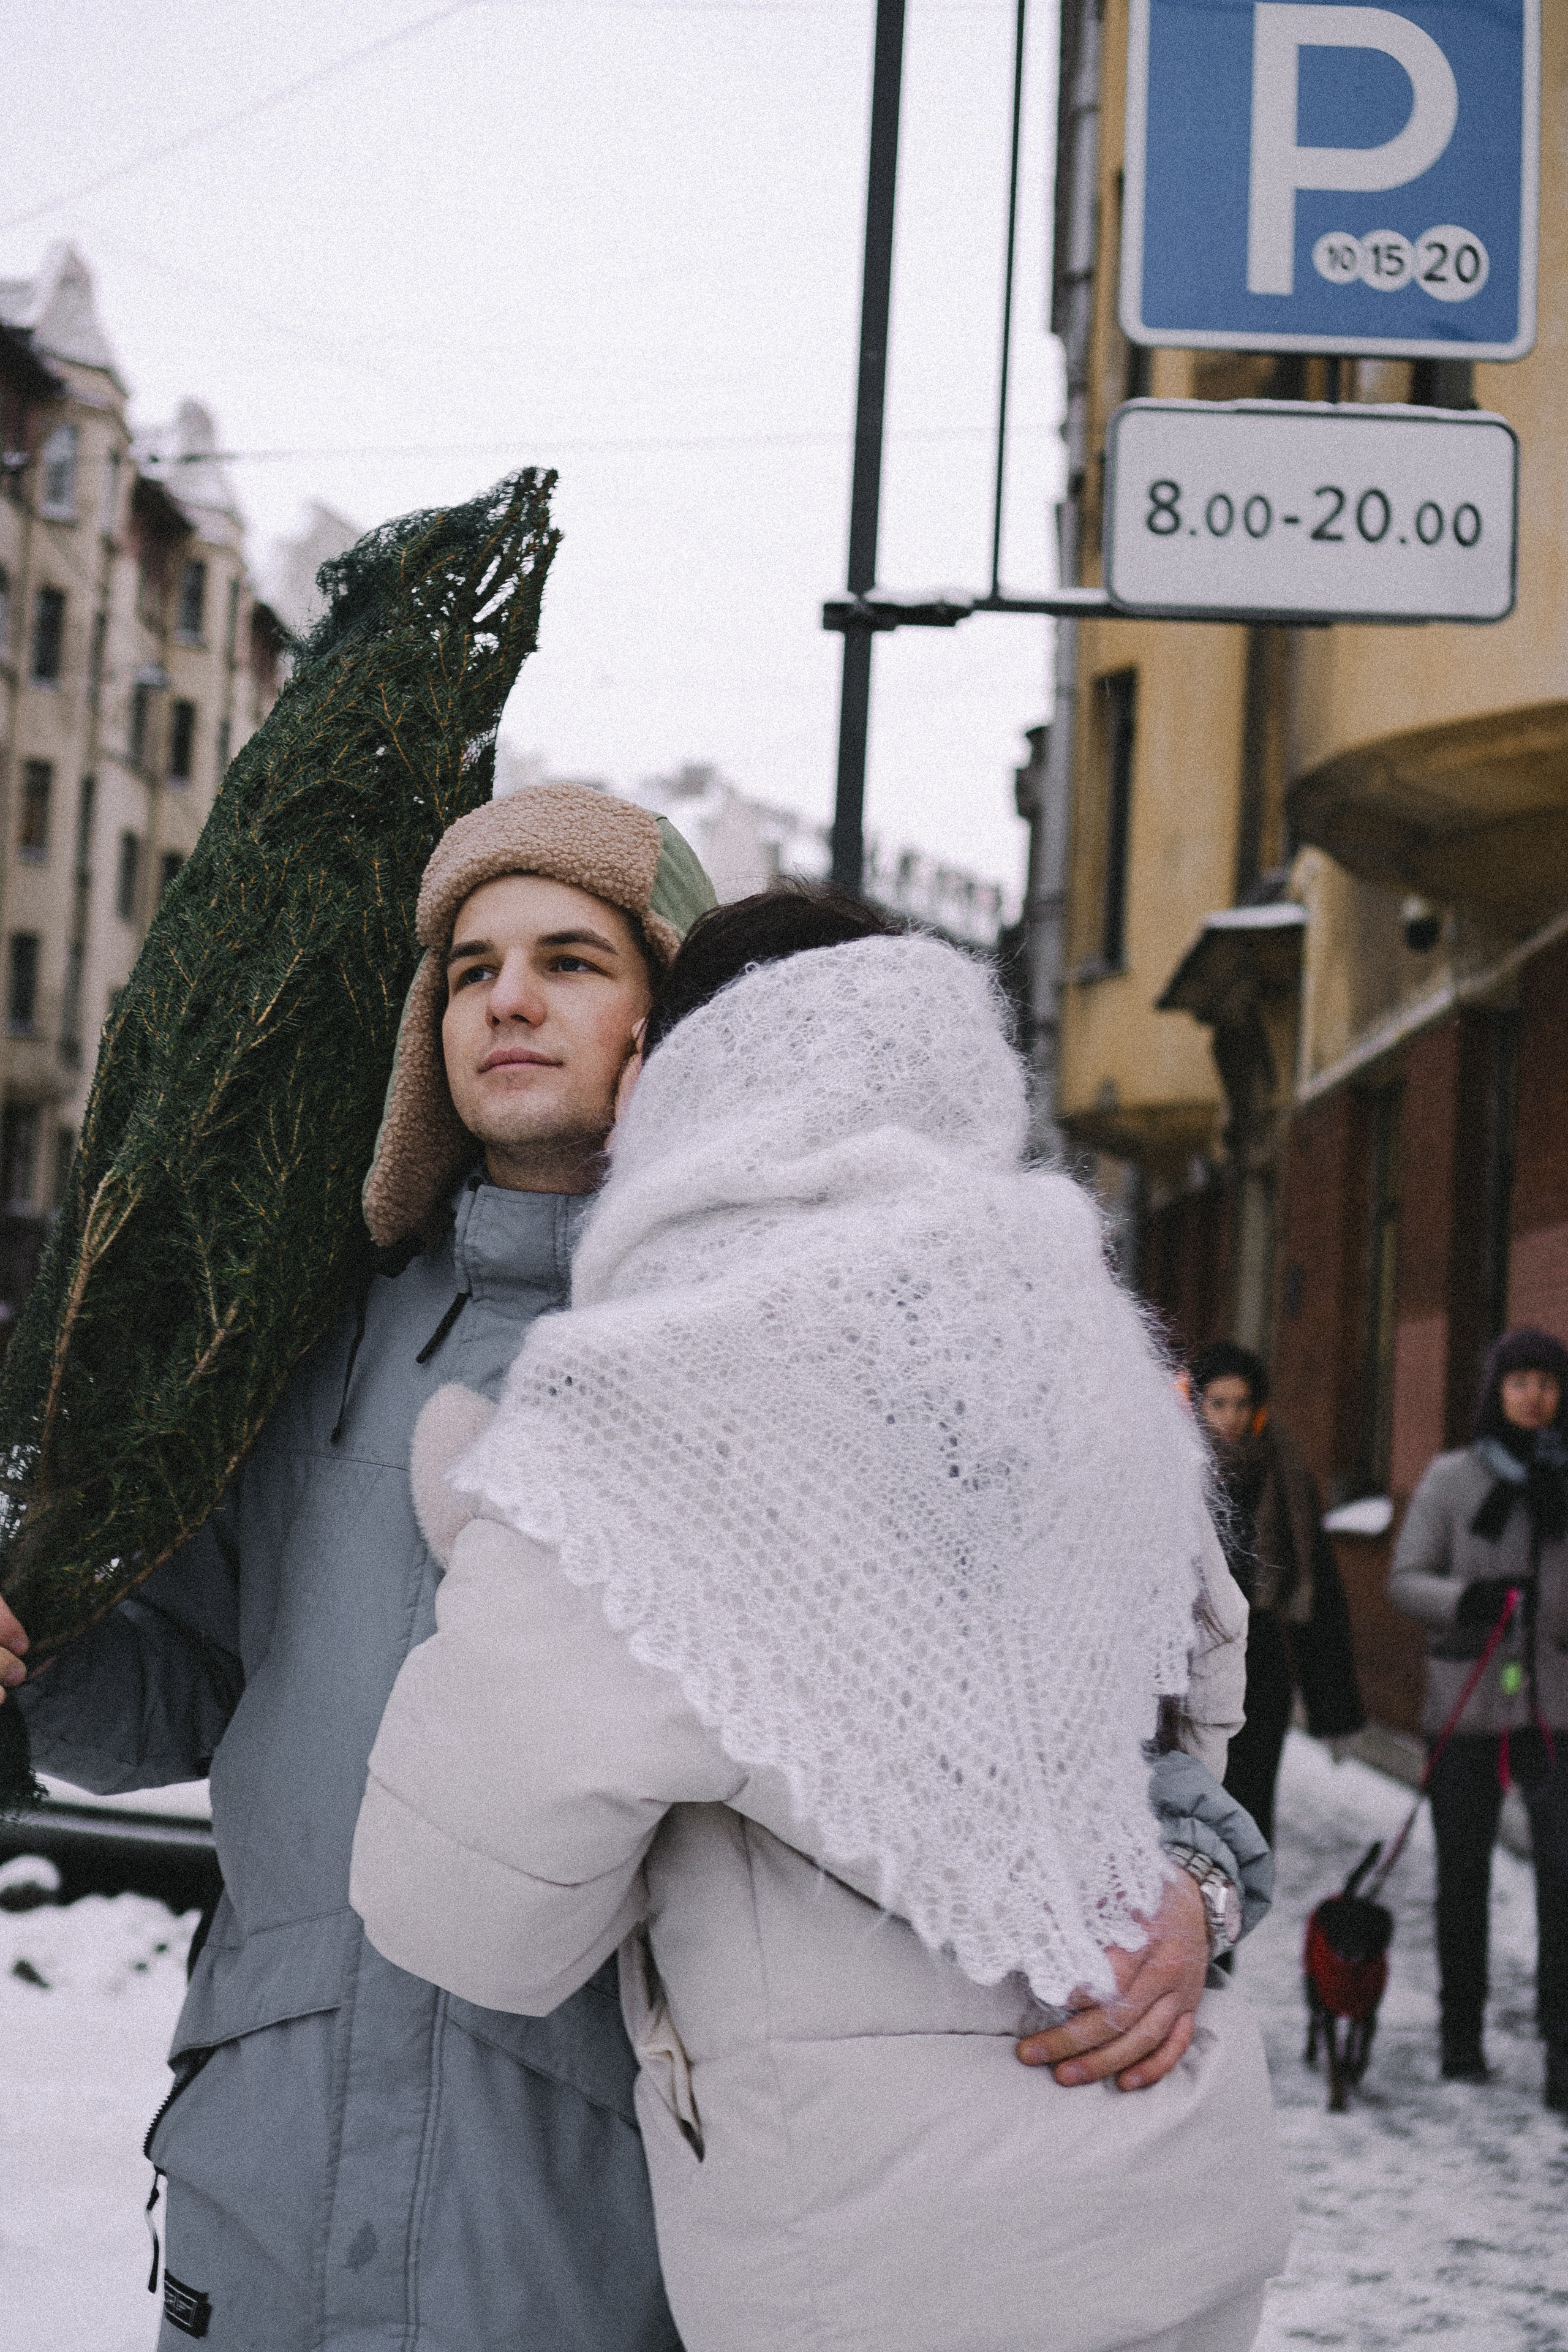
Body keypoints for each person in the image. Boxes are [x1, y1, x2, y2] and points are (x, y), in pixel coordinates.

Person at [351, 905, 1293, 2352]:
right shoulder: (1089, 1346)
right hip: (1176, 2190)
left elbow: (462, 1915)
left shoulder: (643, 1404)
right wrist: (1197, 1887)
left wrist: (490, 1534)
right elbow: (1178, 1750)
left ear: (695, 1075)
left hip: (880, 2265)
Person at [0, 784, 715, 2350]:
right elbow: (186, 1688)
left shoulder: (743, 1349)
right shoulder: (311, 1341)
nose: (509, 998)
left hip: (571, 2216)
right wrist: (38, 1651)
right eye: (469, 969)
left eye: (571, 959)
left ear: (673, 1008)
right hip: (264, 2183)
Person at [1389, 1325, 1568, 2108]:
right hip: (1465, 1708)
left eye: (1547, 1383)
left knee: (1561, 1879)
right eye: (1518, 1382)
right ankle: (1461, 2033)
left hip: (1557, 1712)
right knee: (1463, 1876)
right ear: (1496, 1392)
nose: (1534, 1396)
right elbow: (1405, 1579)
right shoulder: (1453, 1480)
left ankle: (1562, 2051)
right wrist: (1468, 1599)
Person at [1188, 1341, 1365, 1849]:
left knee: (1248, 1813)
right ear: (1199, 1404)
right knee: (1191, 1810)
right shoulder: (1174, 1471)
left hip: (1261, 1667)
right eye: (1219, 1403)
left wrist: (1334, 1708)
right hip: (1191, 1663)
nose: (1232, 1417)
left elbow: (1320, 1590)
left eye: (1242, 1404)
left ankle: (1240, 1915)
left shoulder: (1283, 1467)